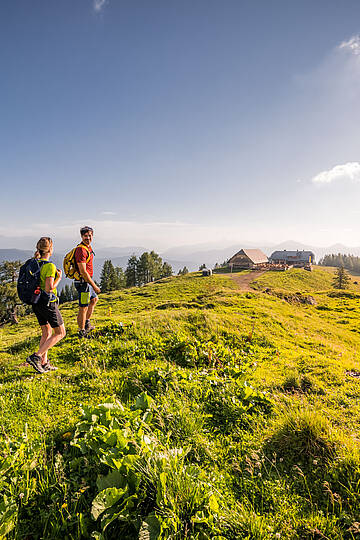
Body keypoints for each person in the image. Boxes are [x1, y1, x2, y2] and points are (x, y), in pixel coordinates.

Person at [26, 237, 66, 373]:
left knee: (47, 332)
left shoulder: (35, 264)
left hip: (36, 302)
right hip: (47, 303)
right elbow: (49, 288)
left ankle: (44, 363)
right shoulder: (49, 266)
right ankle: (36, 357)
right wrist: (59, 278)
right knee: (61, 333)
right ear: (50, 249)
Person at [74, 226, 101, 337]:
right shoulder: (81, 250)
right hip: (83, 282)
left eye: (90, 236)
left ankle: (86, 323)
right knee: (83, 307)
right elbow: (83, 272)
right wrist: (94, 286)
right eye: (85, 236)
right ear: (81, 236)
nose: (88, 238)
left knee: (94, 299)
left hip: (87, 282)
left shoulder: (87, 248)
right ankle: (81, 331)